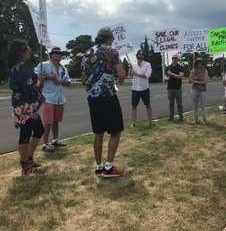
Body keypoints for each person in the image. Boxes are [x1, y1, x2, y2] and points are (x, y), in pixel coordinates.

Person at [81, 27, 126, 177]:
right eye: (112, 39)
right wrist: (119, 81)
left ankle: (99, 167)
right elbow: (121, 73)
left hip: (92, 97)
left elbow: (82, 79)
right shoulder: (111, 51)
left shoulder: (87, 53)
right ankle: (108, 167)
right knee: (116, 130)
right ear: (109, 39)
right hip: (107, 95)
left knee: (98, 132)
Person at [8, 39, 45, 174]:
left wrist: (40, 81)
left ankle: (28, 158)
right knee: (25, 134)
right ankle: (25, 165)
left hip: (27, 105)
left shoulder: (22, 67)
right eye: (28, 48)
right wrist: (40, 81)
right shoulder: (20, 68)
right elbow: (30, 88)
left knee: (39, 130)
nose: (30, 50)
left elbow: (35, 84)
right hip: (24, 106)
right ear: (22, 52)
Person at [34, 47, 71, 152]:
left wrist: (60, 81)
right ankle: (45, 143)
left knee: (56, 121)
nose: (59, 55)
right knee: (48, 122)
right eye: (56, 53)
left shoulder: (63, 68)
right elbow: (35, 76)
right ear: (51, 55)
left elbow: (68, 82)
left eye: (60, 54)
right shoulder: (44, 65)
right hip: (48, 98)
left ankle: (55, 140)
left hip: (59, 98)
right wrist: (49, 76)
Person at [129, 50, 152, 127]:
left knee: (148, 105)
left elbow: (147, 75)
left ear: (143, 56)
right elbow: (130, 76)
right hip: (135, 88)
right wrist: (130, 69)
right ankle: (133, 123)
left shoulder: (147, 64)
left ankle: (150, 122)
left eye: (142, 54)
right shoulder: (133, 64)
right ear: (137, 55)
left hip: (144, 88)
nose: (141, 55)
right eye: (139, 53)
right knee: (134, 106)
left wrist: (136, 74)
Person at [165, 54, 184, 121]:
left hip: (178, 88)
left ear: (177, 59)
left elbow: (180, 77)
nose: (174, 59)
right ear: (172, 59)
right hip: (170, 88)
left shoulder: (180, 67)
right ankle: (171, 117)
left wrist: (171, 74)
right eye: (173, 58)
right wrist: (166, 78)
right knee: (171, 104)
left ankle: (181, 117)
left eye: (175, 58)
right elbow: (165, 76)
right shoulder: (168, 67)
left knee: (179, 104)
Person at [189, 58, 208, 124]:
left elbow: (205, 81)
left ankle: (204, 119)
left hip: (203, 90)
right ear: (196, 63)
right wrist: (195, 80)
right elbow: (190, 79)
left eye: (200, 62)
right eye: (198, 62)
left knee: (203, 105)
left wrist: (195, 81)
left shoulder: (205, 70)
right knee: (195, 105)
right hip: (194, 89)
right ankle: (196, 119)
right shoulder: (193, 70)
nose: (199, 64)